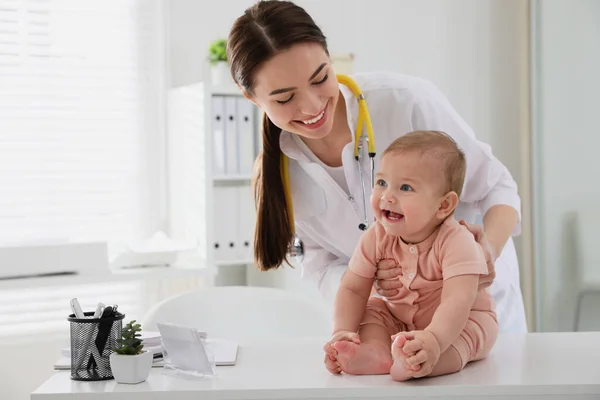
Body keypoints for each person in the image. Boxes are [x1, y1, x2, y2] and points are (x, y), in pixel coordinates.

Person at [226, 0, 527, 334]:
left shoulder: (404, 102)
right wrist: (368, 278)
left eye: (320, 77)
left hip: (478, 315)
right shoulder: (279, 172)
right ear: (250, 97)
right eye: (284, 98)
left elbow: (497, 188)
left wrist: (485, 252)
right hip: (390, 333)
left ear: (329, 55)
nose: (311, 106)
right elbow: (319, 265)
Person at [323, 130, 498, 381]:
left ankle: (423, 362)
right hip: (399, 321)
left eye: (405, 187)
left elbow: (456, 301)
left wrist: (434, 340)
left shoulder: (457, 242)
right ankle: (376, 351)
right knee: (373, 308)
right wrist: (342, 332)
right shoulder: (377, 235)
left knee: (468, 335)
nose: (387, 196)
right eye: (381, 182)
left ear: (444, 205)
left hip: (459, 322)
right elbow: (352, 289)